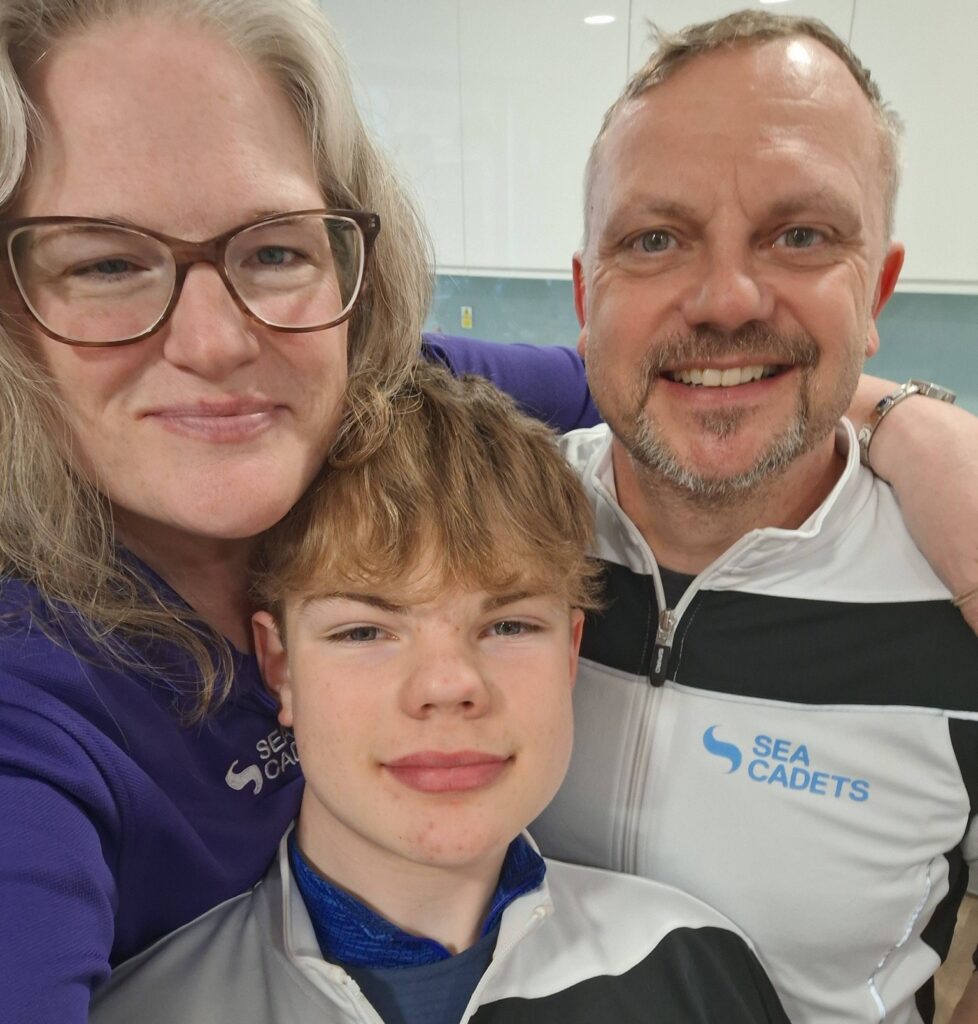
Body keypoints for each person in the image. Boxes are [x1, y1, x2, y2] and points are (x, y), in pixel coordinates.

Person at [0, 1, 973, 1021]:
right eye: (105, 263)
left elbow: (673, 373)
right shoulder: (33, 705)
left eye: (274, 252)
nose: (216, 342)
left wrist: (904, 421)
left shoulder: (380, 401)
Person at [88, 363, 791, 1023]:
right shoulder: (142, 1007)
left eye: (509, 625)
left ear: (570, 652)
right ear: (281, 666)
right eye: (365, 631)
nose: (450, 685)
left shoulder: (693, 965)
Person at [527, 11, 978, 1024]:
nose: (726, 300)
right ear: (586, 298)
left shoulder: (958, 594)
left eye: (801, 235)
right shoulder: (482, 538)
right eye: (655, 239)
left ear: (877, 290)